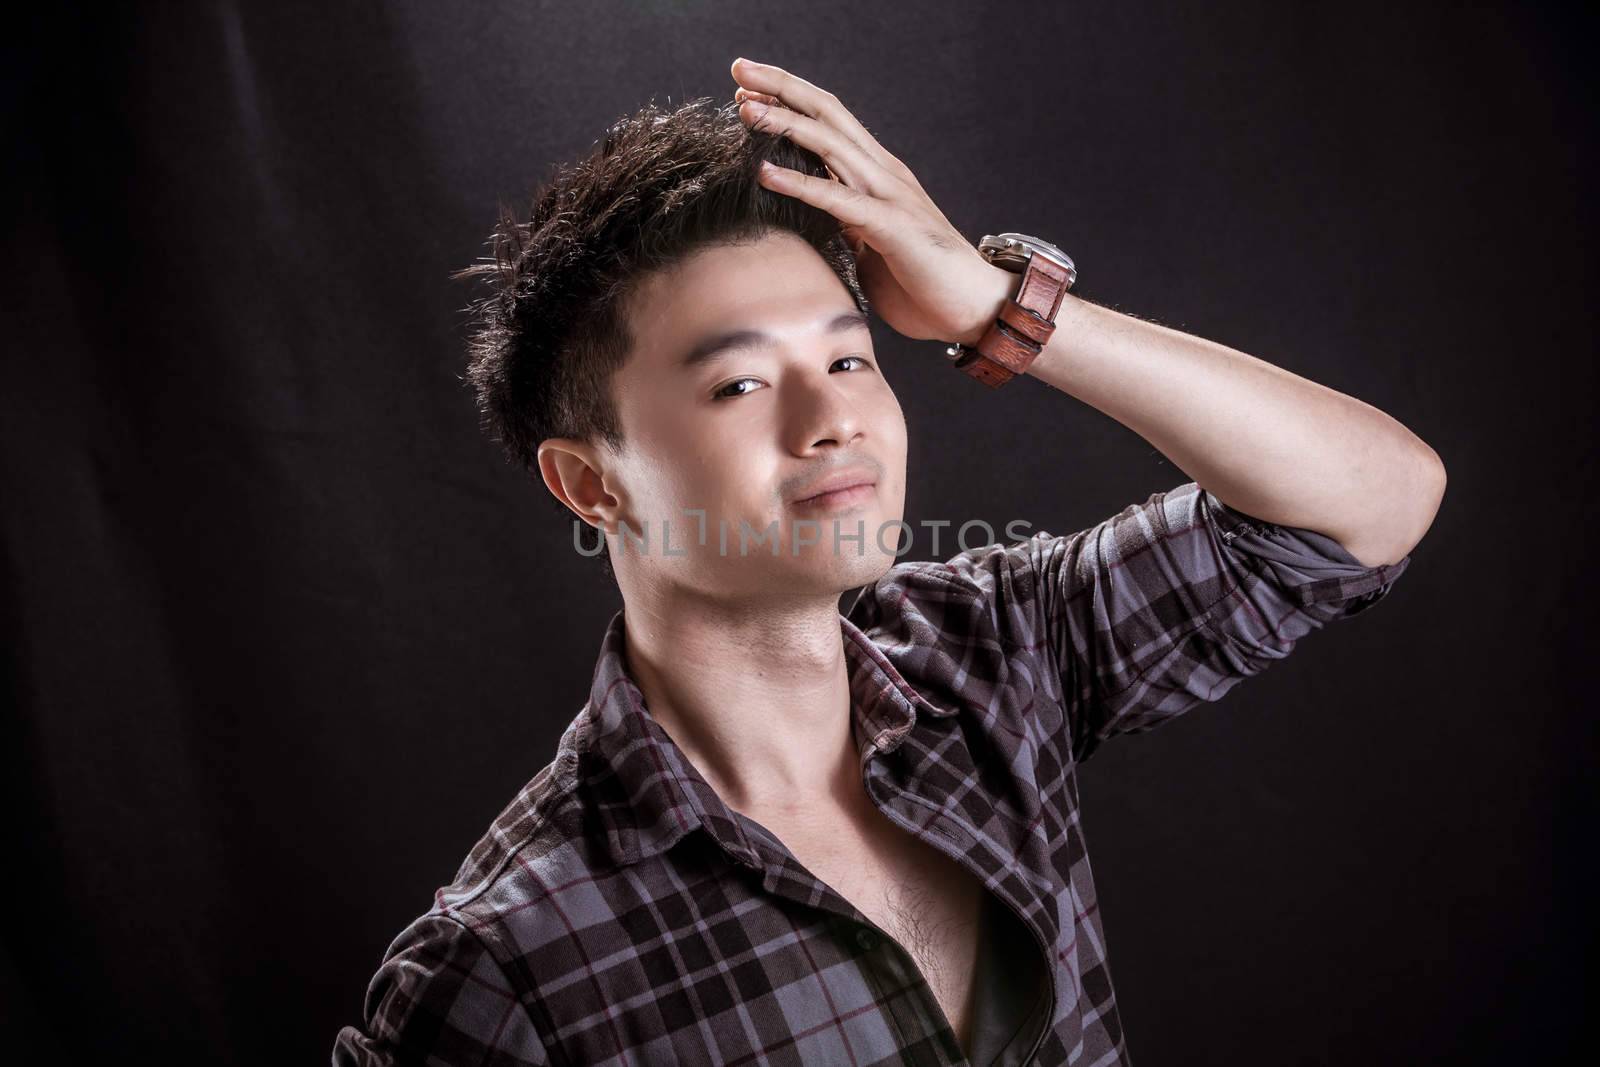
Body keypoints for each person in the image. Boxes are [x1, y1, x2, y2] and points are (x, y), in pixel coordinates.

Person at [332, 57, 1444, 1066]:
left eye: (850, 357)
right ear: (590, 483)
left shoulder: (993, 655)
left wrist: (998, 306)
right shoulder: (501, 965)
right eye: (738, 383)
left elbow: (1371, 504)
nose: (834, 420)